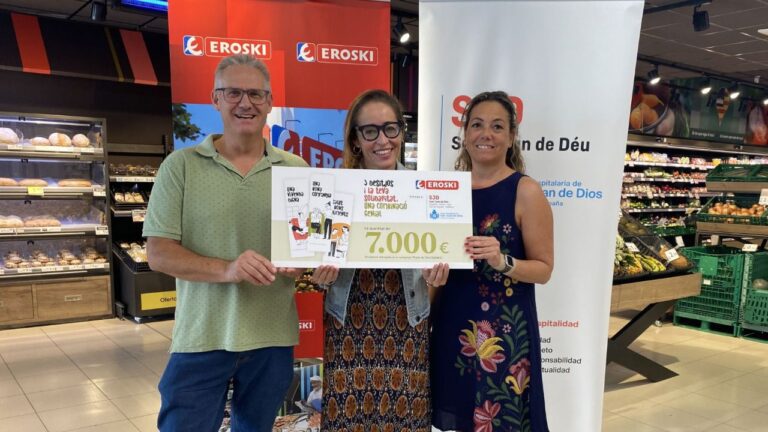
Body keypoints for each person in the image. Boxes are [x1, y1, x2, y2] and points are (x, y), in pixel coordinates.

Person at [143, 54, 308, 432]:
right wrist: (229, 269)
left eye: (255, 94)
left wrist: (307, 262)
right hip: (202, 337)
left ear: (270, 102)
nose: (245, 103)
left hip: (272, 338)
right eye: (233, 92)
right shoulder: (180, 166)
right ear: (215, 99)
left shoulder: (296, 170)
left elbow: (308, 247)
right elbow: (158, 253)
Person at [311, 89, 449, 432]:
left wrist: (435, 278)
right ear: (356, 139)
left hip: (407, 322)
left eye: (390, 128)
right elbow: (315, 262)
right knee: (349, 420)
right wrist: (321, 276)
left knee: (404, 419)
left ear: (401, 131)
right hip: (348, 323)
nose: (382, 140)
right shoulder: (332, 190)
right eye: (370, 131)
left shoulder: (426, 192)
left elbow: (436, 264)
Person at [430, 91, 554, 431]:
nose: (486, 134)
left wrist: (503, 261)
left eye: (497, 126)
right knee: (459, 416)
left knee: (500, 418)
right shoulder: (445, 189)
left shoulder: (525, 190)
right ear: (465, 133)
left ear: (511, 137)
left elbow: (544, 269)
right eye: (477, 125)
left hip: (503, 332)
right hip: (452, 321)